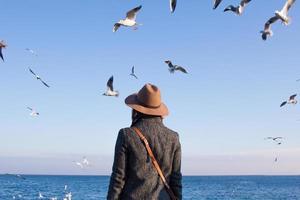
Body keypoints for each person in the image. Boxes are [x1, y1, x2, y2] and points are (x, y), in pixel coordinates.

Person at [107, 83, 182, 200]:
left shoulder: (126, 135)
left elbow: (118, 179)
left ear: (136, 108)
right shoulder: (173, 137)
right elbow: (176, 179)